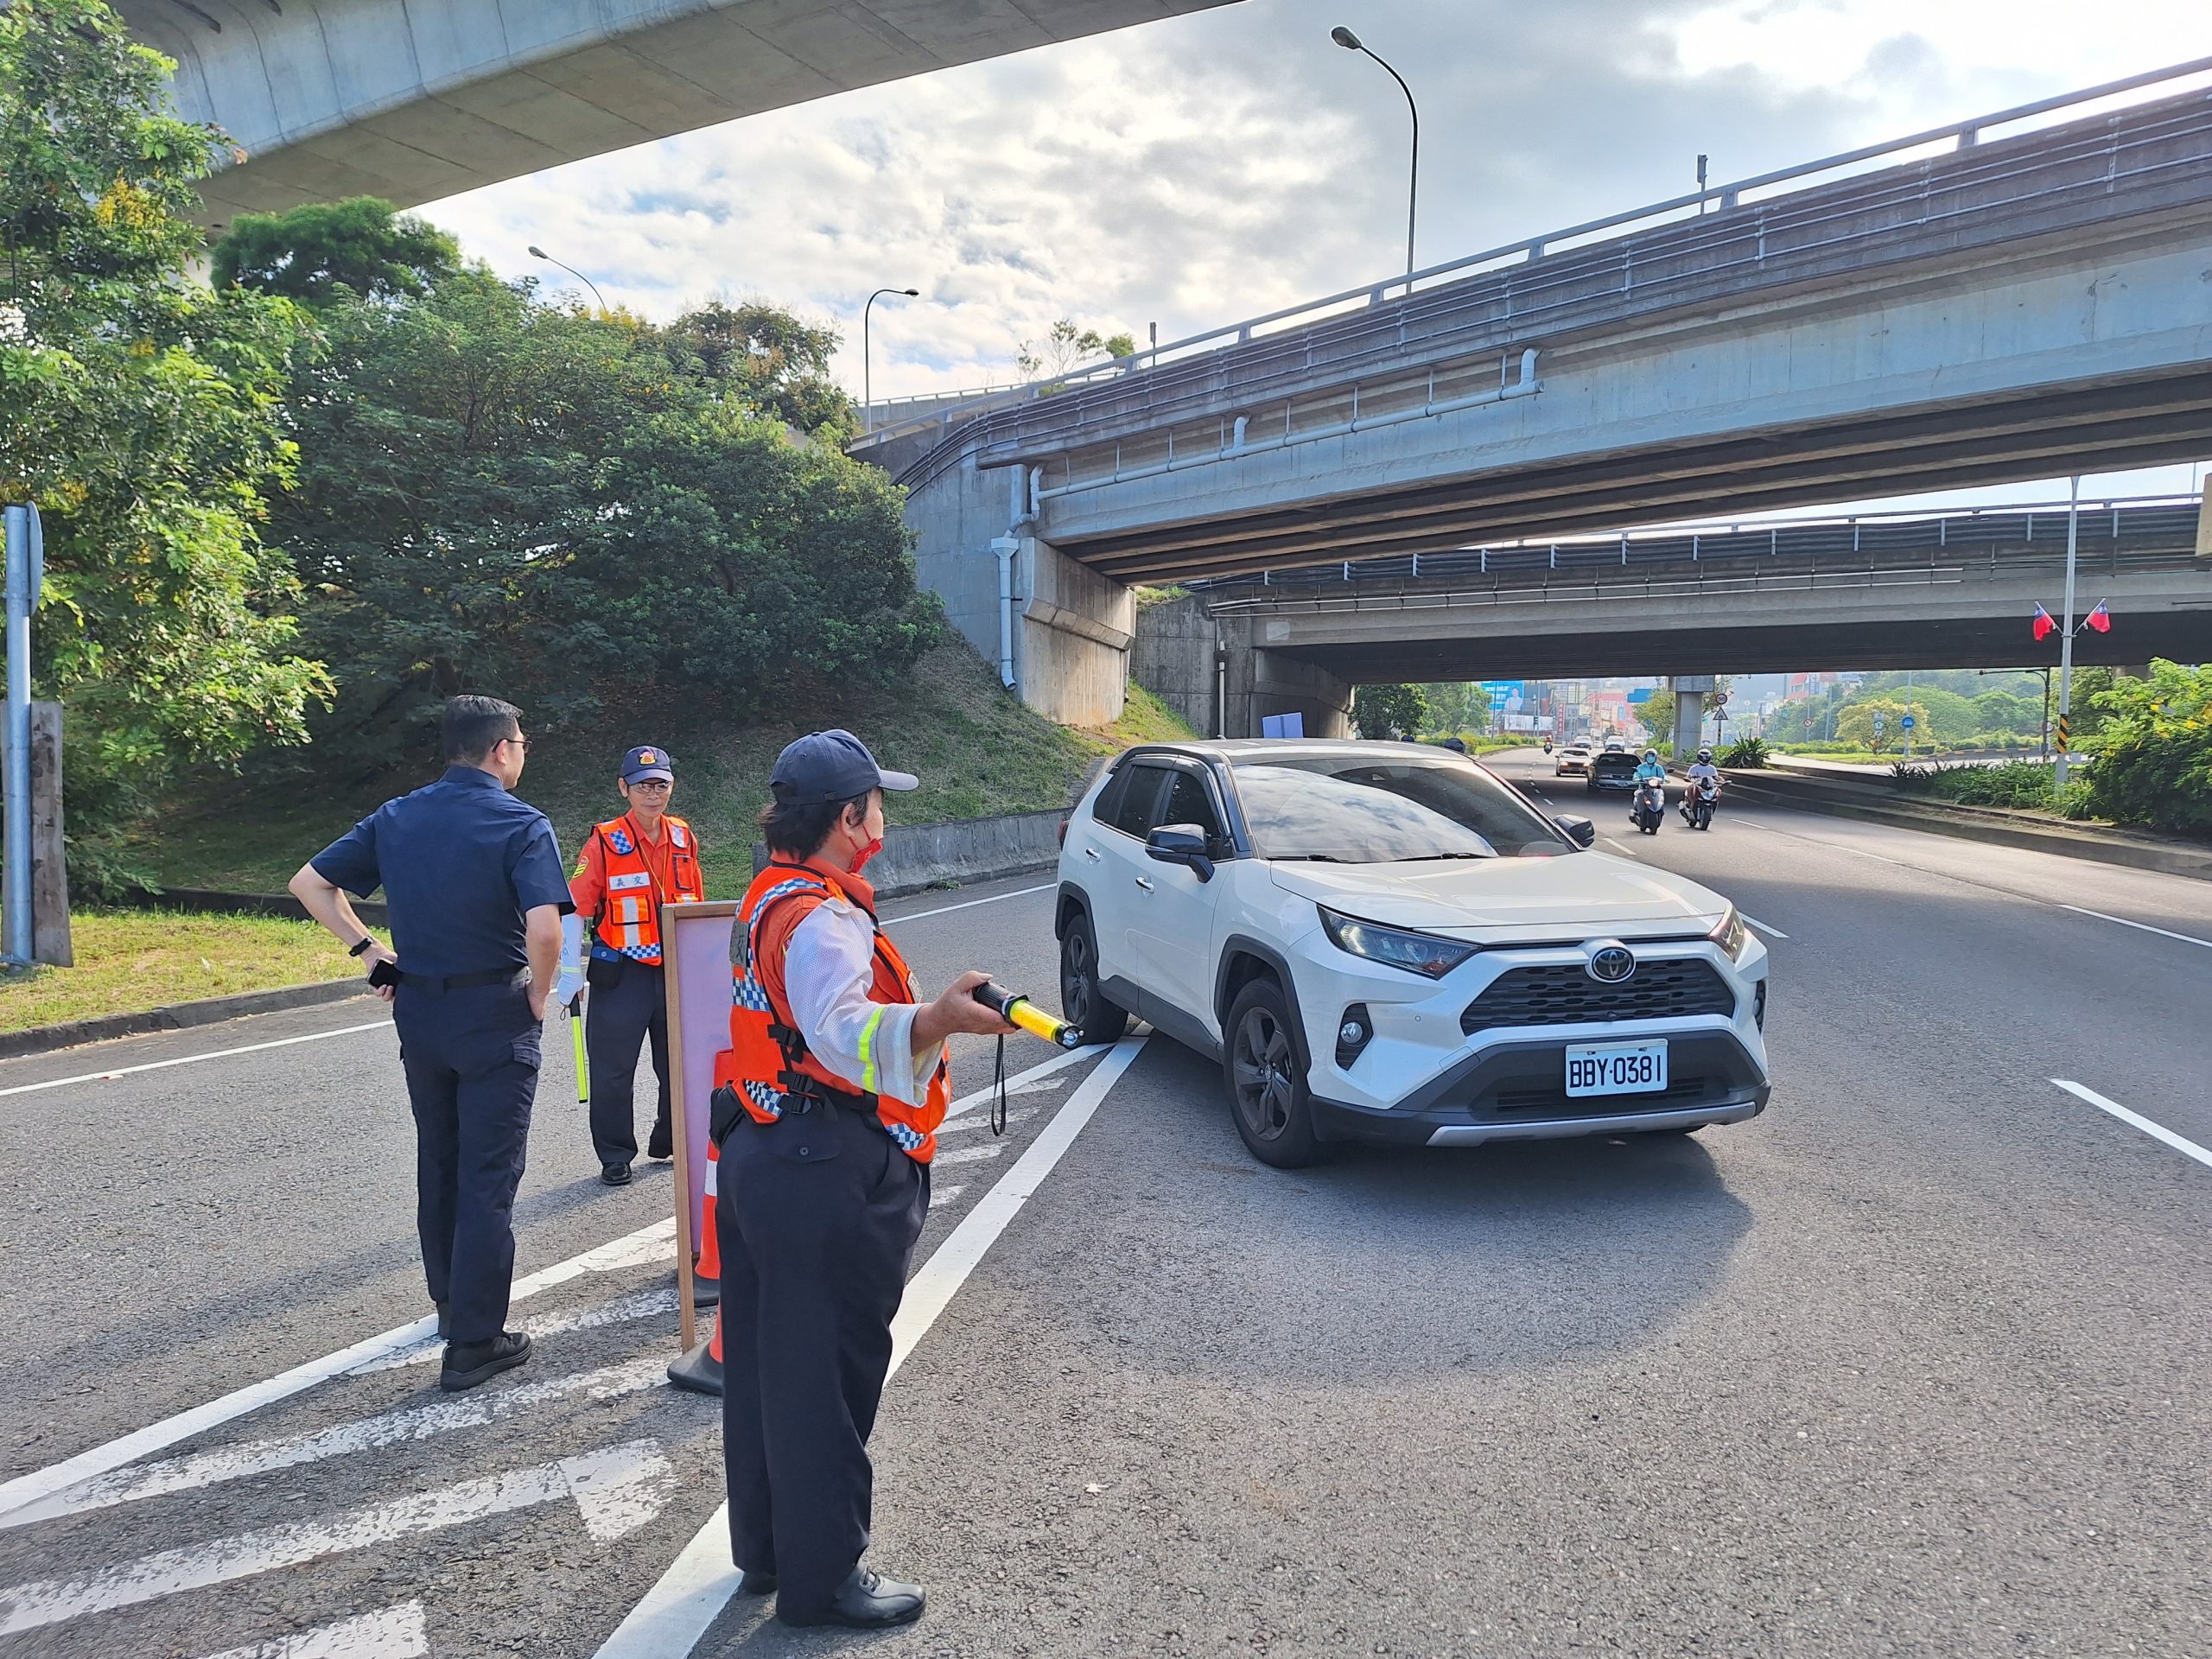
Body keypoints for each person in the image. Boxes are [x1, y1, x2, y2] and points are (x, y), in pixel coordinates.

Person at [711, 729, 1014, 1630]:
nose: (884, 816)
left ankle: (766, 1549)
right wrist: (935, 1019)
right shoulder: (824, 919)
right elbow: (843, 1031)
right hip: (825, 1167)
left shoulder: (770, 896)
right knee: (828, 1380)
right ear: (848, 818)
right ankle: (823, 1580)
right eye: (877, 803)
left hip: (762, 1149)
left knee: (769, 1369)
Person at [289, 696, 572, 1394]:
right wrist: (539, 993)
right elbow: (544, 930)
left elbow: (310, 883)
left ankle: (451, 1305)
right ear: (502, 749)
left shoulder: (397, 815)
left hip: (420, 1011)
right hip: (494, 1011)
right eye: (522, 744)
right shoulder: (521, 822)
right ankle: (477, 1342)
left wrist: (369, 950)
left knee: (439, 1157)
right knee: (488, 1175)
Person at [556, 745, 707, 1185]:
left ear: (671, 787)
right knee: (612, 1070)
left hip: (674, 972)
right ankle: (615, 1155)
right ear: (624, 789)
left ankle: (670, 1138)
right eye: (642, 785)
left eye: (660, 784)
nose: (652, 793)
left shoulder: (683, 837)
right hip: (621, 973)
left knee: (677, 1063)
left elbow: (696, 907)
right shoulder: (605, 840)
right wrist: (569, 972)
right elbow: (575, 909)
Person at [1681, 747, 1721, 823]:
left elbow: (1716, 777)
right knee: (1690, 788)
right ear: (1699, 757)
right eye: (1703, 757)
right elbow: (1688, 776)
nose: (1705, 759)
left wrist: (1720, 779)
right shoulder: (1694, 768)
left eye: (1707, 757)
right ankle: (1690, 806)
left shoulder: (1712, 768)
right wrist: (1690, 778)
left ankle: (1713, 807)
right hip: (1698, 785)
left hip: (1708, 786)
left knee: (1718, 790)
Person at [1630, 747, 1668, 820]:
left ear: (1656, 757)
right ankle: (1638, 811)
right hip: (1643, 788)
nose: (1650, 758)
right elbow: (1637, 775)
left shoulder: (1659, 768)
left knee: (1661, 795)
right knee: (1639, 794)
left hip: (1656, 789)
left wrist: (1665, 780)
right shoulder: (1641, 767)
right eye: (1648, 756)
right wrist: (1637, 779)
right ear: (1645, 757)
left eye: (1652, 756)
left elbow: (1663, 776)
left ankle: (1660, 811)